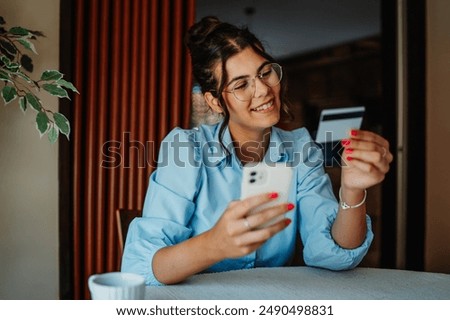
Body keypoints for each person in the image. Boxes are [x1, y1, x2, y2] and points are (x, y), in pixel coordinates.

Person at [121, 16, 393, 286]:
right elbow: (139, 268)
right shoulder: (186, 148)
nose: (263, 89)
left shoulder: (299, 148)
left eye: (265, 72)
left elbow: (332, 253)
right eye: (241, 85)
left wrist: (353, 191)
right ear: (215, 102)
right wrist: (214, 245)